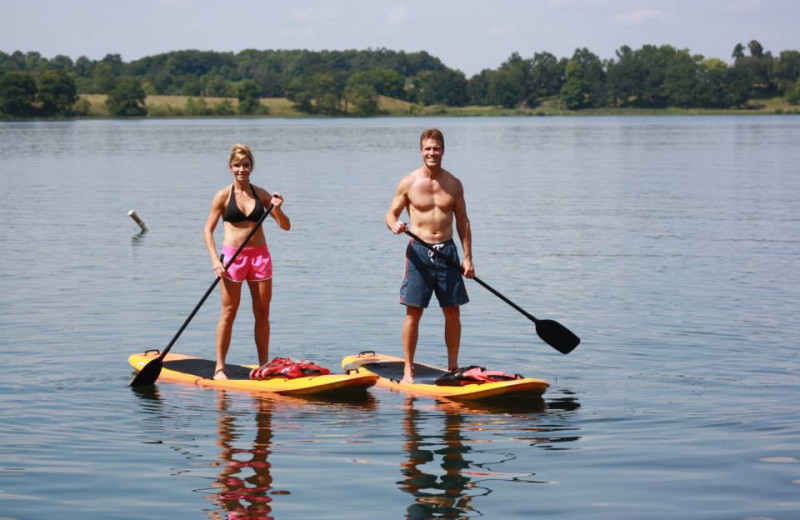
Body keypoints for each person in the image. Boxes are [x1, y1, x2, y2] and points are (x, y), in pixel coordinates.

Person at [385, 128, 474, 383]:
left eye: (436, 148)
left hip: (447, 251)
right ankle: (408, 370)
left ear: (443, 151)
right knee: (413, 312)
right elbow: (390, 213)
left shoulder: (454, 184)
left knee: (452, 311)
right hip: (419, 253)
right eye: (427, 149)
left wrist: (468, 259)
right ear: (421, 151)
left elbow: (463, 223)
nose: (431, 153)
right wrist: (394, 224)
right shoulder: (409, 182)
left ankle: (453, 367)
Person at [203, 143, 291, 380]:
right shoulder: (222, 196)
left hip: (260, 257)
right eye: (237, 165)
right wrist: (215, 261)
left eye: (246, 165)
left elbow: (285, 226)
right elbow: (207, 231)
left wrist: (278, 209)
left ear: (251, 167)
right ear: (230, 167)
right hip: (232, 259)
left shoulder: (261, 194)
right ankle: (220, 367)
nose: (242, 169)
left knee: (262, 312)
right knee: (229, 312)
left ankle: (264, 365)